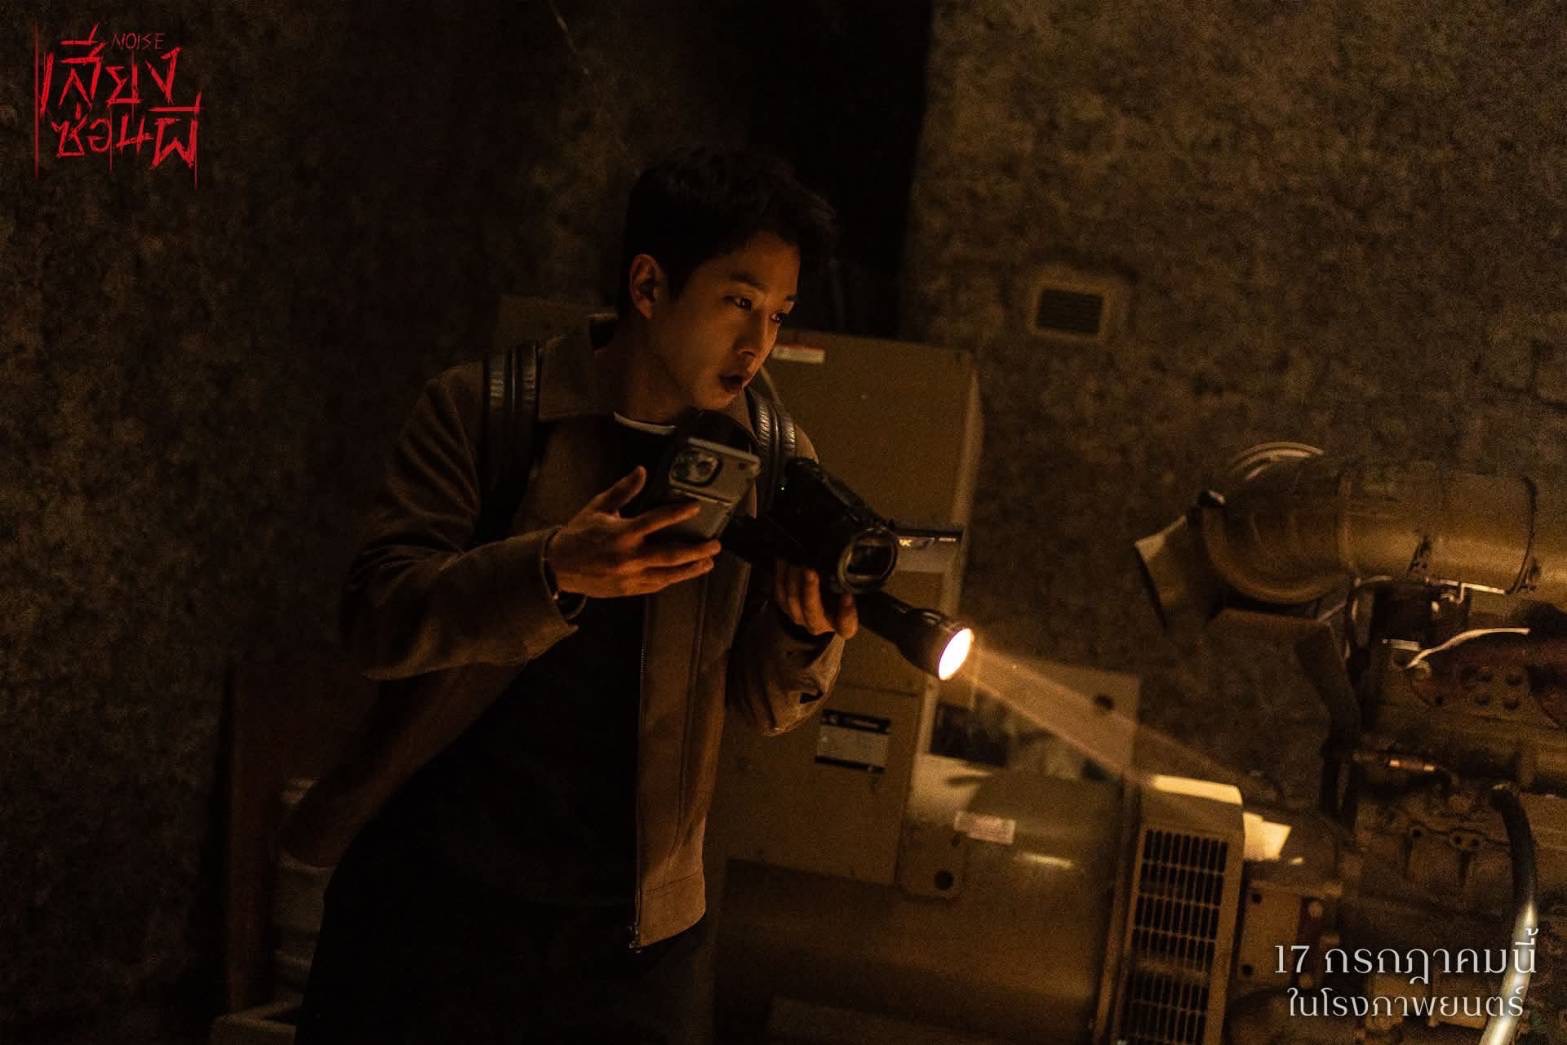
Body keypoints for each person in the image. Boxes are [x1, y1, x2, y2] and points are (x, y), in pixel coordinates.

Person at [287, 147, 855, 1043]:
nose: (758, 346)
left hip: (630, 940)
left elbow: (763, 704)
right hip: (431, 908)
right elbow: (377, 617)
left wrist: (802, 630)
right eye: (737, 302)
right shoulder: (488, 410)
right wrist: (548, 569)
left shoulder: (774, 459)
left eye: (778, 315)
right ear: (648, 285)